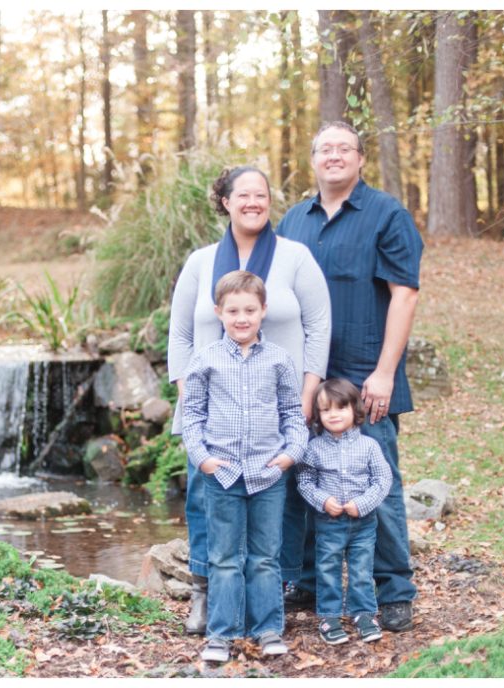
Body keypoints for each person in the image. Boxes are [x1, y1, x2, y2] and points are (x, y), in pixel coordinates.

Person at [168, 166, 331, 635]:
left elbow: (320, 327)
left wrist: (307, 395)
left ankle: (270, 599)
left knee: (278, 504)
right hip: (209, 414)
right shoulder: (200, 262)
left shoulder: (295, 257)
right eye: (244, 195)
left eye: (261, 195)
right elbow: (180, 334)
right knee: (205, 501)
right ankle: (206, 594)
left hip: (278, 409)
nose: (253, 202)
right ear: (225, 201)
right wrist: (188, 399)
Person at [277, 120, 423, 632]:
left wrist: (384, 373)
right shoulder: (293, 221)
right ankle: (310, 583)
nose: (334, 156)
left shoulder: (387, 215)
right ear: (313, 160)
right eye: (325, 149)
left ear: (361, 159)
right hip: (306, 381)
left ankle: (394, 589)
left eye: (345, 148)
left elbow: (404, 294)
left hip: (364, 379)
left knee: (376, 483)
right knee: (307, 479)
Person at [180, 271, 309, 662]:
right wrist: (203, 459)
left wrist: (291, 454)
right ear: (218, 312)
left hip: (268, 472)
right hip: (222, 473)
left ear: (263, 311)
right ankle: (221, 633)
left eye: (249, 310)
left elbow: (292, 412)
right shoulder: (206, 360)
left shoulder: (279, 360)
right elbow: (191, 415)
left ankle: (268, 628)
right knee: (223, 556)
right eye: (233, 310)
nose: (241, 318)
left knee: (266, 555)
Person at [298, 378, 391, 645]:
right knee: (328, 567)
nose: (334, 414)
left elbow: (382, 480)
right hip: (329, 522)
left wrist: (362, 503)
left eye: (341, 408)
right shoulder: (313, 448)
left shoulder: (369, 447)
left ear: (354, 410)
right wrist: (323, 500)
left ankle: (363, 614)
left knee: (361, 568)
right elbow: (305, 482)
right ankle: (329, 616)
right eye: (326, 410)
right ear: (318, 415)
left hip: (363, 523)